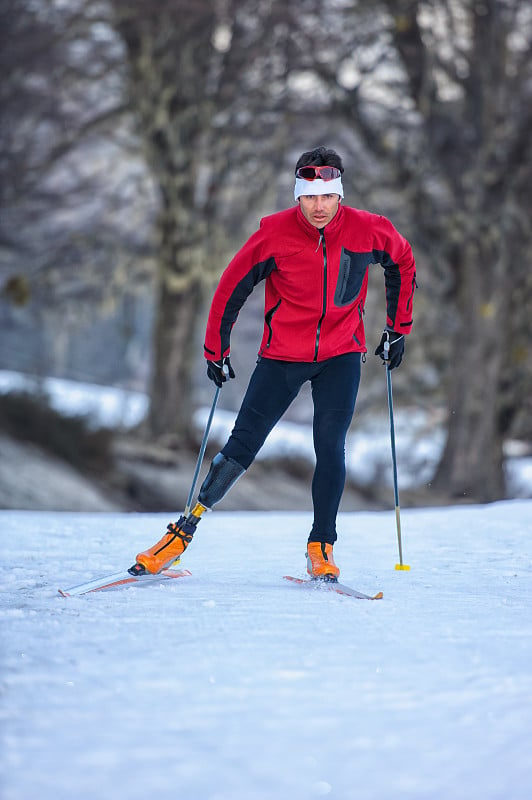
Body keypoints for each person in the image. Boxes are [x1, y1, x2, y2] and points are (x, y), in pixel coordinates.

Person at [130, 146, 416, 581]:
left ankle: (322, 546)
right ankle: (180, 534)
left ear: (339, 194)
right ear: (297, 195)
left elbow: (403, 262)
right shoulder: (273, 233)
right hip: (281, 358)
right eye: (309, 196)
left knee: (330, 447)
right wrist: (216, 348)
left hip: (341, 356)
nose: (318, 207)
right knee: (241, 447)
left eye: (327, 196)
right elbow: (230, 288)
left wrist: (398, 328)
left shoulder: (368, 230)